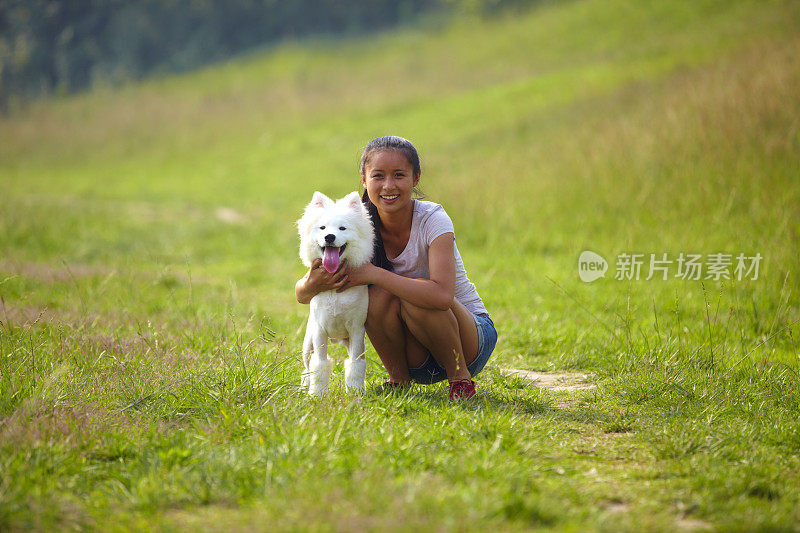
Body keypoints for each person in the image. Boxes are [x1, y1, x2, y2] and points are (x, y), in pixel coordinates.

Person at [294, 136, 497, 400]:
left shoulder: (433, 219)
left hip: (469, 341)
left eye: (399, 175)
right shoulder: (353, 227)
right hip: (420, 359)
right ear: (364, 180)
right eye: (378, 176)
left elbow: (443, 296)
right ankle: (399, 380)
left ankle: (460, 381)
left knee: (416, 297)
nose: (389, 186)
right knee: (376, 297)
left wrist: (373, 274)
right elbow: (301, 293)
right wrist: (313, 283)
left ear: (416, 178)